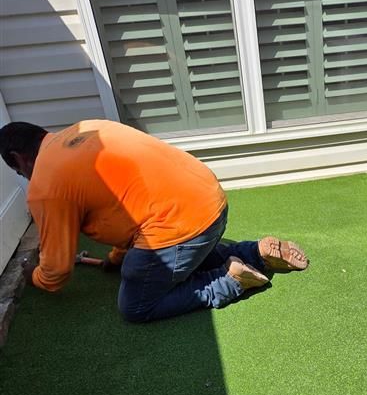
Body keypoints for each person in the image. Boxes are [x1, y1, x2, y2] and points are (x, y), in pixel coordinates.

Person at [0, 120, 309, 322]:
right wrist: (117, 258)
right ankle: (256, 252)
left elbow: (56, 273)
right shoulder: (85, 129)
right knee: (166, 260)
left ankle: (229, 282)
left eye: (19, 172)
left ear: (18, 158)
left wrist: (31, 275)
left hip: (182, 226)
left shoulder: (45, 185)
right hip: (210, 200)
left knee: (135, 306)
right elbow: (129, 203)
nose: (25, 178)